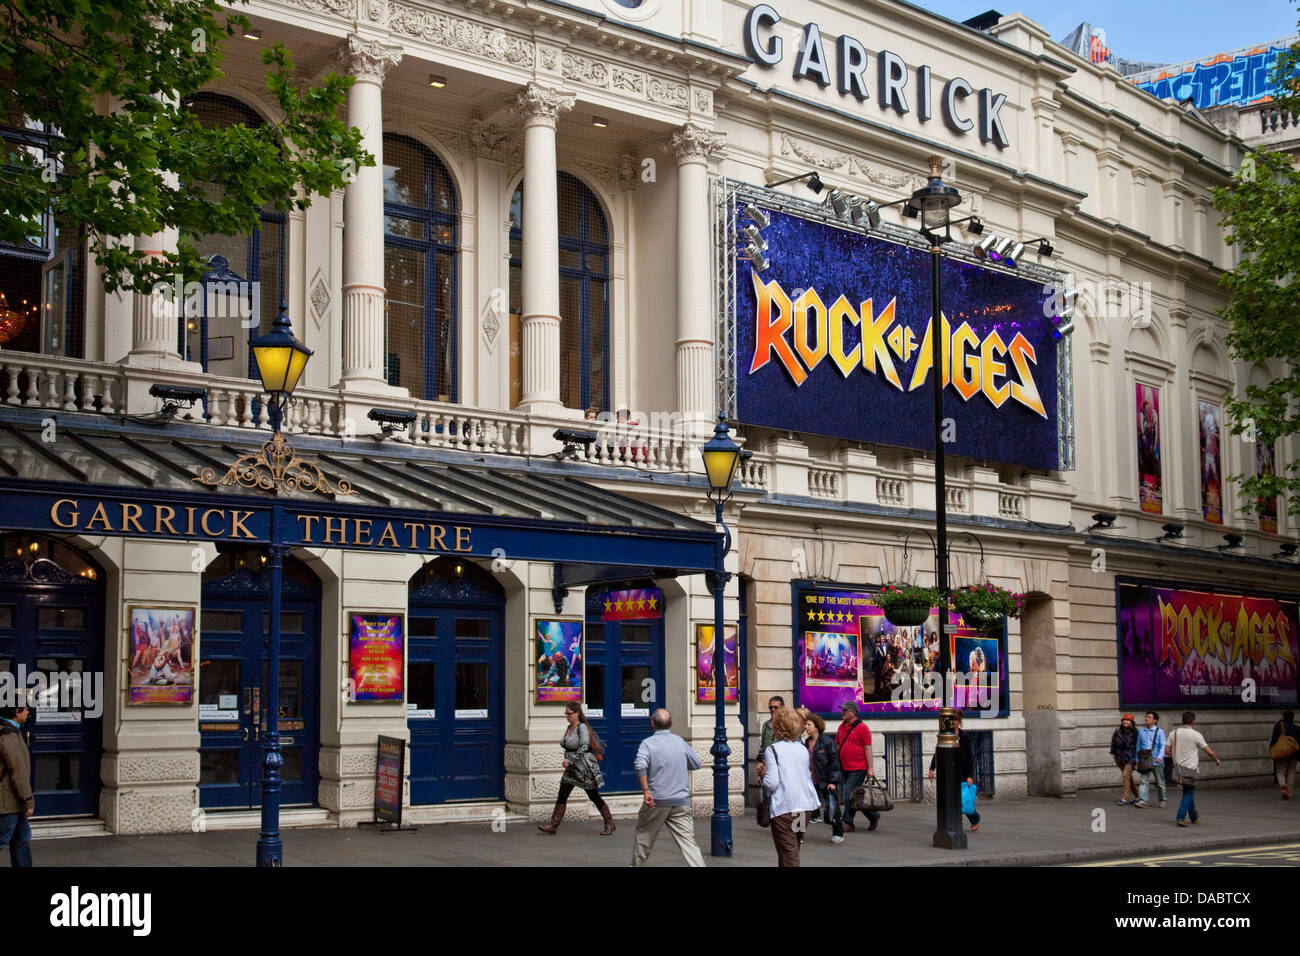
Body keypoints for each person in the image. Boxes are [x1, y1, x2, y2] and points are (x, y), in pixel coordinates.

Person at [631, 708, 704, 867]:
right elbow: (697, 763)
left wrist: (646, 791)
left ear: (652, 724)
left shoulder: (648, 743)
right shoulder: (679, 741)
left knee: (644, 838)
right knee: (688, 842)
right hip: (680, 801)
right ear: (671, 724)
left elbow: (640, 765)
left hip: (657, 800)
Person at [538, 701, 614, 836]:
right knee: (562, 794)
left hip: (584, 768)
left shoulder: (582, 727)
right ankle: (553, 825)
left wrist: (571, 760)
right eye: (565, 714)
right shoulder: (569, 727)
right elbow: (567, 744)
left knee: (594, 796)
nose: (567, 716)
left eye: (569, 713)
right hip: (571, 770)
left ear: (577, 713)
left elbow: (584, 747)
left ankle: (609, 823)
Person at [762, 706, 821, 866]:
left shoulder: (773, 750)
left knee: (789, 855)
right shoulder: (801, 748)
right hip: (805, 806)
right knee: (792, 848)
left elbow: (772, 783)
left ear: (776, 727)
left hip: (785, 807)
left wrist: (762, 776)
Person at [927, 711, 980, 831]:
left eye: (955, 719)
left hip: (962, 772)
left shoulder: (964, 737)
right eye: (951, 720)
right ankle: (950, 821)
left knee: (963, 799)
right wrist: (932, 768)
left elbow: (970, 758)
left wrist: (970, 776)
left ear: (959, 722)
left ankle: (975, 818)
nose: (953, 722)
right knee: (950, 798)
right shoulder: (944, 735)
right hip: (949, 771)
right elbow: (938, 753)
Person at [1169, 711, 1221, 827]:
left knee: (1188, 791)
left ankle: (1194, 816)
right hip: (1191, 769)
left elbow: (1167, 750)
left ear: (1182, 721)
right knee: (1188, 792)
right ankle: (1180, 817)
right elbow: (1208, 751)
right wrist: (1216, 759)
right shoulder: (1196, 735)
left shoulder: (1174, 733)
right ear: (1193, 722)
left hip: (1178, 769)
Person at [835, 701, 879, 832]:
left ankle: (848, 823)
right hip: (844, 766)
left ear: (852, 712)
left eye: (844, 710)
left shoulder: (862, 728)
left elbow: (867, 748)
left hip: (858, 768)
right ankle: (873, 816)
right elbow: (837, 745)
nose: (842, 712)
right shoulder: (841, 726)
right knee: (856, 797)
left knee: (849, 794)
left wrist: (870, 768)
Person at [0, 702, 34, 867]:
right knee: (4, 838)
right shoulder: (9, 736)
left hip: (14, 801)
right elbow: (18, 772)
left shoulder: (10, 732)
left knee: (22, 840)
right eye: (26, 709)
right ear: (16, 711)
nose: (28, 712)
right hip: (9, 801)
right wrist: (28, 800)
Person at [803, 711, 844, 844]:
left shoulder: (827, 742)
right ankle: (799, 832)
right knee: (804, 807)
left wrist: (833, 781)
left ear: (816, 726)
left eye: (808, 724)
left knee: (832, 805)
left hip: (825, 779)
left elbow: (834, 763)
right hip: (810, 779)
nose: (806, 727)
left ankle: (838, 832)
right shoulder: (805, 742)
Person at [1134, 710, 1167, 809]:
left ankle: (1163, 800)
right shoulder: (1141, 731)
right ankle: (1143, 800)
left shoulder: (1160, 732)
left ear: (1154, 720)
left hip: (1157, 761)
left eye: (1149, 717)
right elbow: (1138, 746)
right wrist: (1137, 759)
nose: (1146, 718)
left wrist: (1160, 757)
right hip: (1144, 760)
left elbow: (1163, 745)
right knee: (1144, 781)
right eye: (1146, 717)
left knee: (1160, 782)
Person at [755, 695, 783, 796]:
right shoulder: (766, 725)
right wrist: (762, 757)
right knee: (767, 792)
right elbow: (763, 744)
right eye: (770, 707)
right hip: (767, 763)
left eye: (776, 707)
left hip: (781, 764)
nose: (773, 709)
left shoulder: (785, 725)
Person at [1269, 709, 1299, 799]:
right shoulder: (1297, 728)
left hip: (1282, 753)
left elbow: (1274, 740)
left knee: (1280, 771)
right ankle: (1289, 793)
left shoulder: (1279, 726)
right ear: (1293, 718)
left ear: (1283, 717)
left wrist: (1272, 751)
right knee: (1291, 772)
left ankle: (1283, 785)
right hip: (1294, 754)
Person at [1109, 713, 1138, 805]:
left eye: (1128, 720)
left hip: (1130, 757)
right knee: (1129, 778)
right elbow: (1113, 744)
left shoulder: (1136, 733)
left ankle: (1124, 798)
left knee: (1125, 775)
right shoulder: (1117, 732)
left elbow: (1138, 746)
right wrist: (1114, 755)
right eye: (1124, 720)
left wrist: (1137, 759)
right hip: (1119, 757)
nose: (1125, 721)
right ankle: (1138, 797)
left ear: (1132, 722)